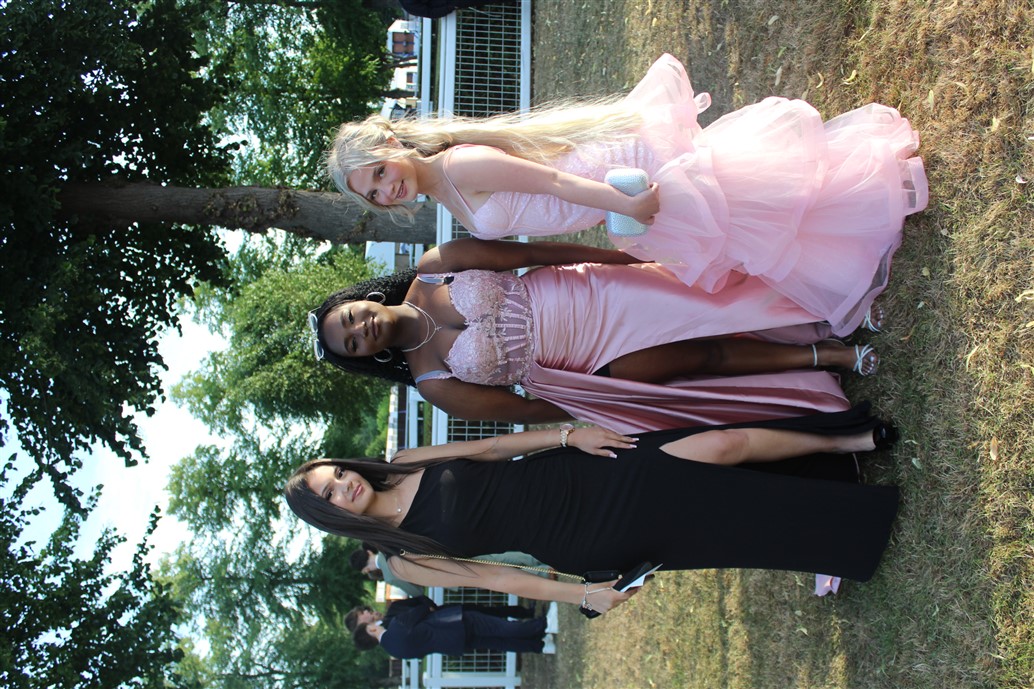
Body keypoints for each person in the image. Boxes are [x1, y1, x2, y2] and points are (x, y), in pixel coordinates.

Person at [328, 54, 927, 336]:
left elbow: (554, 183)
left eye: (379, 170)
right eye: (374, 193)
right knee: (740, 215)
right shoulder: (449, 195)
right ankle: (848, 220)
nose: (387, 187)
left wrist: (628, 207)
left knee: (743, 199)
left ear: (390, 141)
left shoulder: (462, 164)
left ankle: (864, 189)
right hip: (611, 201)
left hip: (615, 181)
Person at [284, 406, 899, 615]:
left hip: (580, 470)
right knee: (727, 525)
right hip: (586, 534)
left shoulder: (405, 460)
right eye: (330, 496)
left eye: (335, 474)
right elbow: (496, 577)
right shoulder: (405, 560)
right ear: (332, 517)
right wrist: (582, 595)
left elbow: (490, 448)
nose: (344, 486)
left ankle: (840, 444)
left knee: (722, 446)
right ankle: (848, 527)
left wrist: (566, 434)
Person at [309, 237, 874, 432]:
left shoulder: (437, 266)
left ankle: (817, 307)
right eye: (352, 343)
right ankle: (826, 356)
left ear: (363, 299)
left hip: (585, 295)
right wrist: (598, 406)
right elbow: (524, 411)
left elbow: (531, 253)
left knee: (708, 303)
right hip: (579, 365)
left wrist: (618, 259)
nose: (361, 329)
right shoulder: (433, 383)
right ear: (366, 357)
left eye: (351, 317)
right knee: (703, 356)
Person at [352, 595, 554, 658]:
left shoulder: (395, 651)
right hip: (455, 623)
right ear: (371, 630)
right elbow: (421, 610)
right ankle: (544, 624)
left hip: (453, 644)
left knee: (499, 642)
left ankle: (540, 645)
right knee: (500, 628)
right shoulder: (396, 625)